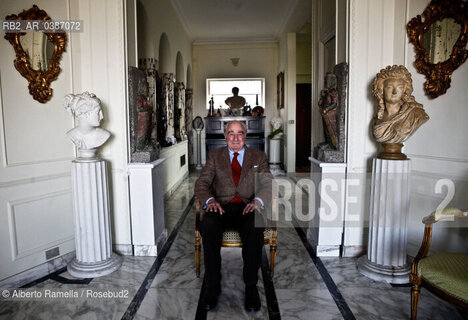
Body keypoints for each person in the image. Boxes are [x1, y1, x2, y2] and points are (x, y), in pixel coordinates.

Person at [195, 121, 273, 312]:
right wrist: (210, 200)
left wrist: (258, 202)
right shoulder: (215, 156)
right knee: (209, 225)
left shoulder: (258, 156)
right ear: (225, 136)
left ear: (245, 135)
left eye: (240, 133)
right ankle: (213, 287)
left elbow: (268, 183)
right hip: (221, 207)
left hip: (248, 206)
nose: (236, 138)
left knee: (255, 226)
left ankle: (251, 287)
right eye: (231, 133)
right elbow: (201, 183)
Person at [372, 65, 429, 144]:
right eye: (389, 87)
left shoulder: (416, 114)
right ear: (381, 90)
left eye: (400, 87)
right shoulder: (376, 119)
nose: (395, 92)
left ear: (405, 90)